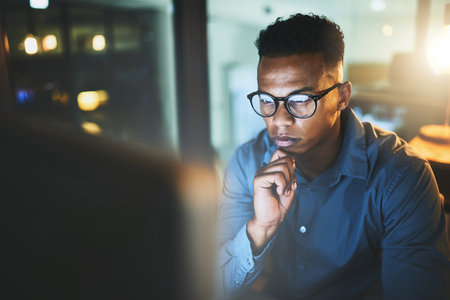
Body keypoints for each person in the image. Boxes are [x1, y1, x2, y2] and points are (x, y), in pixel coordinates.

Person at [216, 13, 450, 300]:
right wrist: (260, 228)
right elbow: (211, 284)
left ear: (341, 96)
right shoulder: (247, 162)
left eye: (300, 100)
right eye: (267, 100)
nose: (279, 120)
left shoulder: (401, 176)